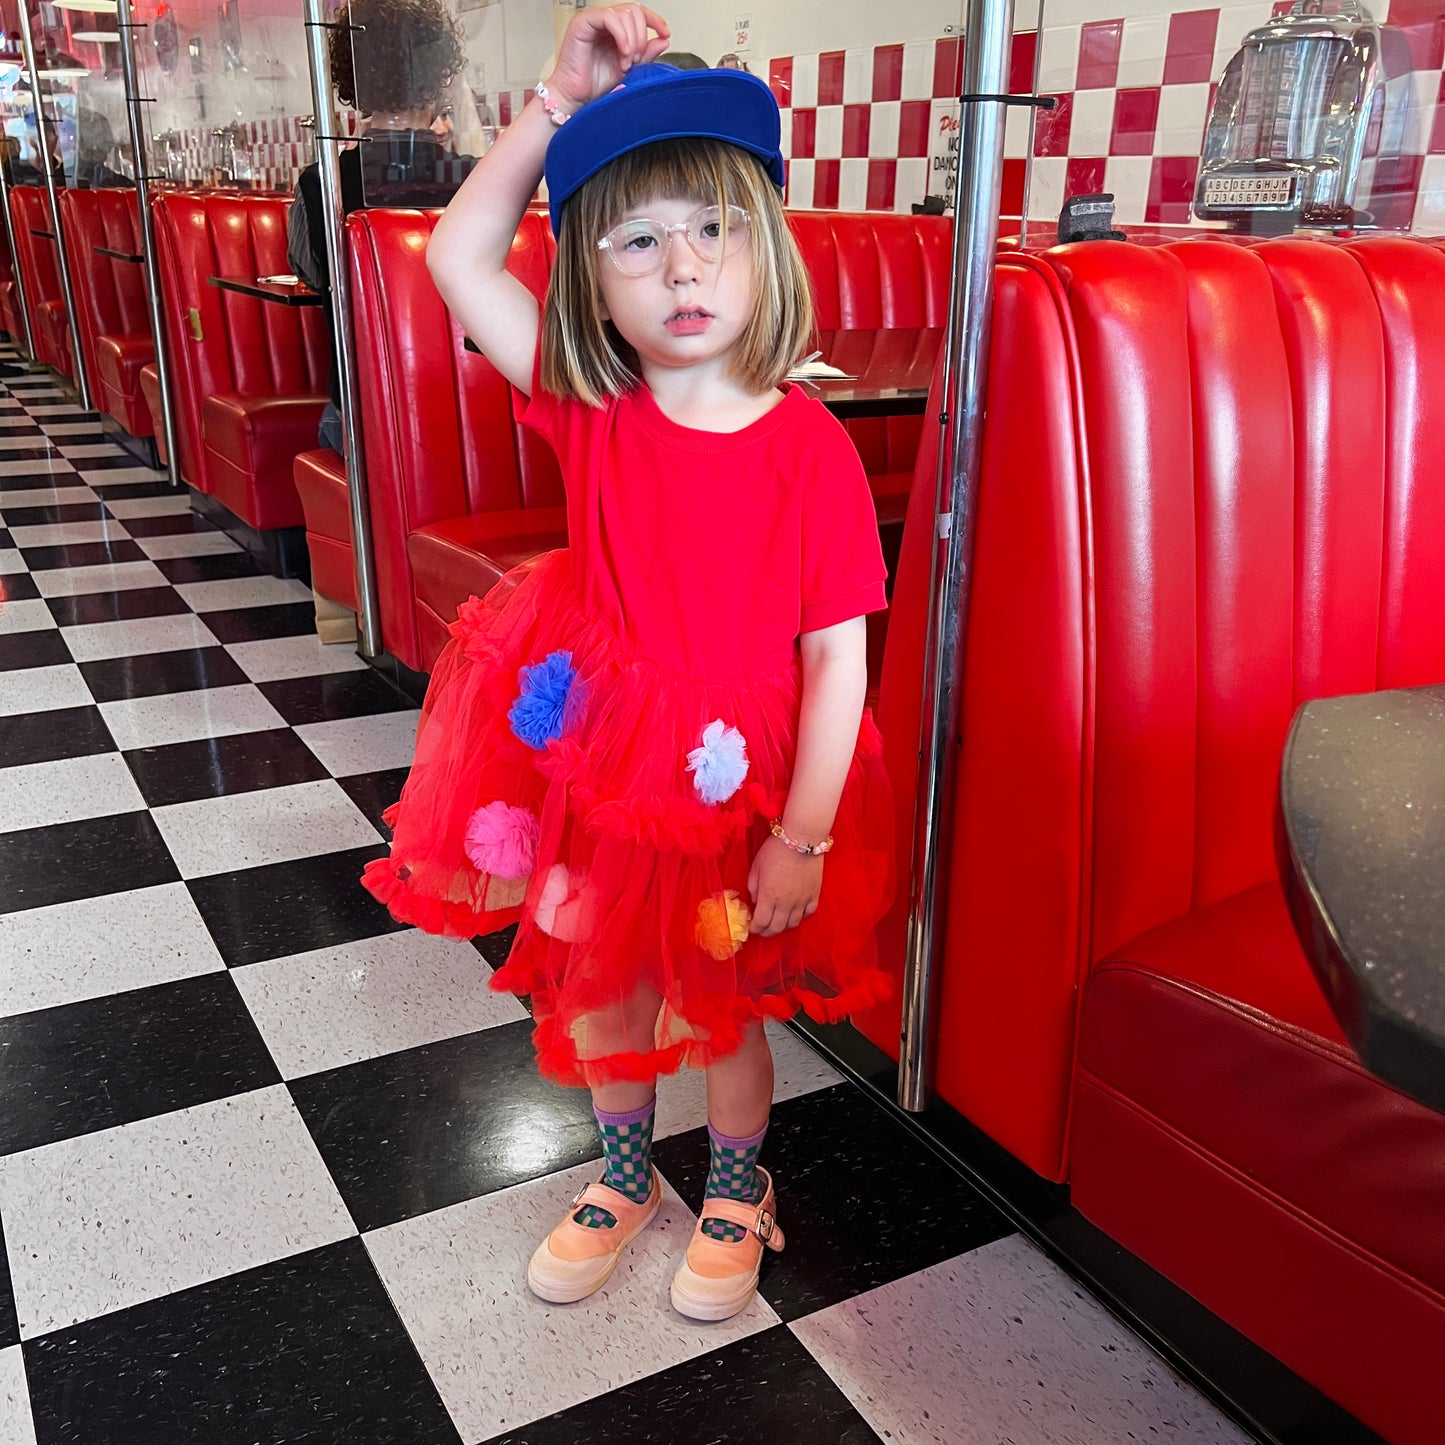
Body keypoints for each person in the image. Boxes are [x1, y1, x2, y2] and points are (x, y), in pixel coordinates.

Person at [363, 3, 894, 1322]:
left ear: (765, 245)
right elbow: (456, 253)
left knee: (720, 999)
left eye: (713, 229)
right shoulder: (587, 403)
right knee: (602, 978)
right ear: (592, 279)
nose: (680, 268)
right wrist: (551, 105)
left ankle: (734, 1184)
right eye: (637, 241)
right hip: (594, 750)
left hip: (738, 780)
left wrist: (807, 839)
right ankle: (620, 1175)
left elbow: (838, 663)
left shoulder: (809, 448)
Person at [286, 0, 481, 453]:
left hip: (360, 409)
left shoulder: (321, 186)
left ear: (352, 85)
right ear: (436, 80)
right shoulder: (478, 181)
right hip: (475, 407)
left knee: (331, 421)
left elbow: (315, 280)